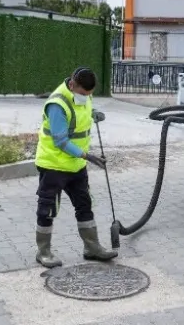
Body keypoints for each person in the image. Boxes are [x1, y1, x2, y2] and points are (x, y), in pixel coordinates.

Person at [33, 66, 118, 268]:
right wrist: (87, 156)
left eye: (89, 95)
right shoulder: (57, 104)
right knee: (48, 209)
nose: (86, 97)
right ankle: (43, 252)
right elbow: (61, 141)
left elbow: (82, 111)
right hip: (54, 165)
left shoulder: (84, 95)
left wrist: (94, 113)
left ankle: (92, 247)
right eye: (82, 94)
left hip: (76, 166)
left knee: (84, 204)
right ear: (72, 85)